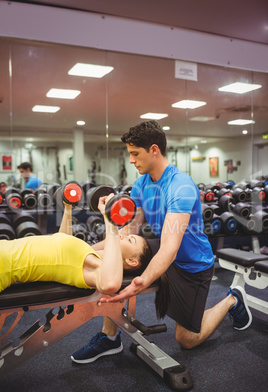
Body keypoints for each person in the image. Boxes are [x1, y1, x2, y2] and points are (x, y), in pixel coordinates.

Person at [71, 120, 252, 364]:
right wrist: (83, 252)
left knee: (187, 339)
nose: (131, 160)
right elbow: (129, 231)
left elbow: (170, 247)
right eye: (130, 154)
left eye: (135, 154)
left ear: (154, 150)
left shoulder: (180, 186)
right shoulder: (141, 184)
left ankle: (233, 299)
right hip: (165, 248)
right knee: (117, 258)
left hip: (191, 263)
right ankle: (109, 337)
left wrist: (140, 282)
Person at [0, 194, 158, 296]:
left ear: (132, 261)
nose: (124, 235)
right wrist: (68, 208)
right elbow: (62, 240)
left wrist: (111, 223)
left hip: (5, 263)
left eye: (131, 240)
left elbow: (110, 284)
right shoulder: (90, 254)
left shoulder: (95, 266)